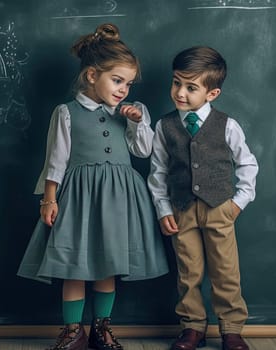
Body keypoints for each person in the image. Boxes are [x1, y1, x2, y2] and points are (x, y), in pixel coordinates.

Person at [18, 23, 168, 350]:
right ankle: (74, 331)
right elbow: (55, 160)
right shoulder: (67, 113)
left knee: (110, 265)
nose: (123, 89)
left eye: (128, 83)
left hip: (120, 199)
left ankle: (102, 328)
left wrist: (136, 121)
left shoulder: (133, 112)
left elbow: (143, 151)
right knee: (74, 265)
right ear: (90, 76)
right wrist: (49, 200)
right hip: (79, 196)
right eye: (117, 80)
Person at [148, 46, 258, 350]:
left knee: (225, 271)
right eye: (176, 83)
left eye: (191, 87)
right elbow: (158, 171)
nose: (180, 92)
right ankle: (192, 327)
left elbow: (247, 163)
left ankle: (232, 329)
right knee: (188, 272)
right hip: (181, 210)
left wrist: (239, 201)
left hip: (220, 207)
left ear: (212, 93)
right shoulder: (164, 126)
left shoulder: (227, 125)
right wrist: (162, 208)